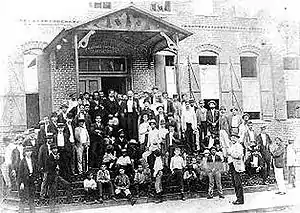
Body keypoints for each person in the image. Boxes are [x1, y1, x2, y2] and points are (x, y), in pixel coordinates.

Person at [46, 144, 73, 212]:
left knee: (68, 184)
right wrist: (55, 160)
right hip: (52, 177)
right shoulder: (49, 157)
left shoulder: (59, 156)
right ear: (51, 150)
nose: (55, 150)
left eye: (56, 149)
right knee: (53, 193)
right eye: (53, 149)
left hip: (58, 176)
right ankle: (52, 209)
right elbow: (50, 167)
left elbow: (62, 165)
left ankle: (69, 200)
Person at [18, 146, 37, 213]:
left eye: (30, 151)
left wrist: (35, 178)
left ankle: (32, 211)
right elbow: (20, 173)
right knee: (23, 197)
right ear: (24, 153)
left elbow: (35, 170)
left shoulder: (33, 160)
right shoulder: (22, 161)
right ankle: (21, 211)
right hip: (25, 180)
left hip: (31, 180)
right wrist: (21, 183)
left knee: (32, 197)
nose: (29, 153)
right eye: (27, 151)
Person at [228, 134, 245, 205]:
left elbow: (239, 155)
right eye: (232, 138)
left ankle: (240, 199)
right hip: (232, 165)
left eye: (234, 138)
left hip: (237, 166)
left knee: (238, 183)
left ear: (237, 138)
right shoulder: (232, 146)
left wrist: (231, 154)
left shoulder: (239, 146)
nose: (233, 139)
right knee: (235, 183)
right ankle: (238, 198)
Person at [38, 134, 53, 198]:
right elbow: (40, 157)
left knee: (50, 180)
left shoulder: (53, 146)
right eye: (48, 139)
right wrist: (41, 166)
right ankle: (42, 194)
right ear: (46, 140)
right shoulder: (43, 147)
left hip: (52, 166)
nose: (50, 140)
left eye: (51, 138)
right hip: (45, 166)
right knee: (45, 181)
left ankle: (48, 194)